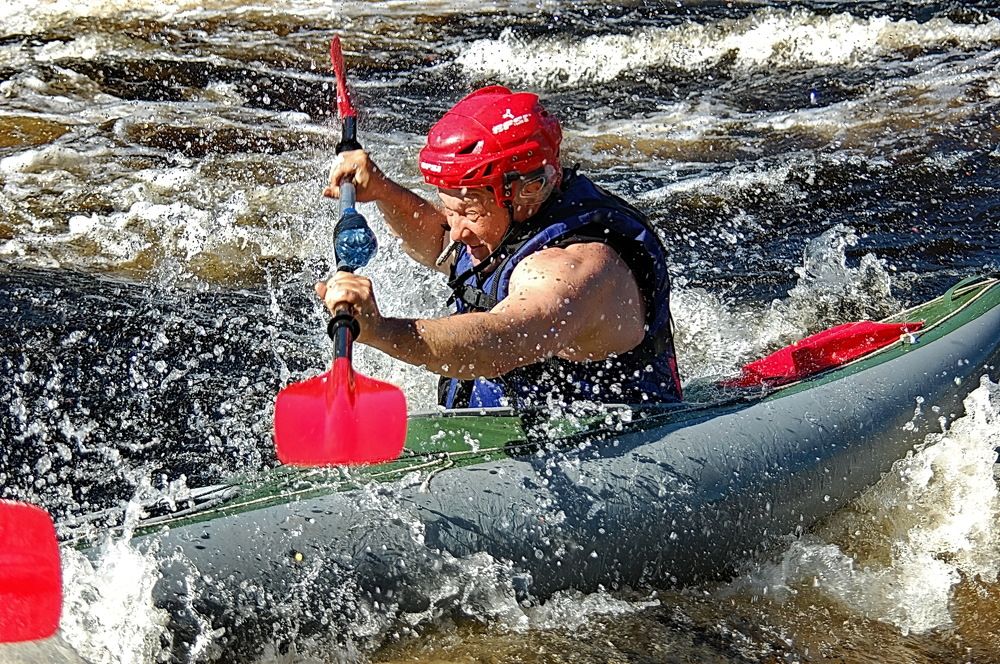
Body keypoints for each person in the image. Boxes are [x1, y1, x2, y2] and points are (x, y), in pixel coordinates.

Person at [319, 85, 682, 410]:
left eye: (468, 211)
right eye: (449, 209)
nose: (456, 233)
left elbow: (503, 341)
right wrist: (382, 189)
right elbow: (440, 241)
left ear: (529, 190)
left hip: (615, 445)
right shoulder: (502, 226)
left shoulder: (575, 268)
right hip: (509, 432)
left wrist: (382, 331)